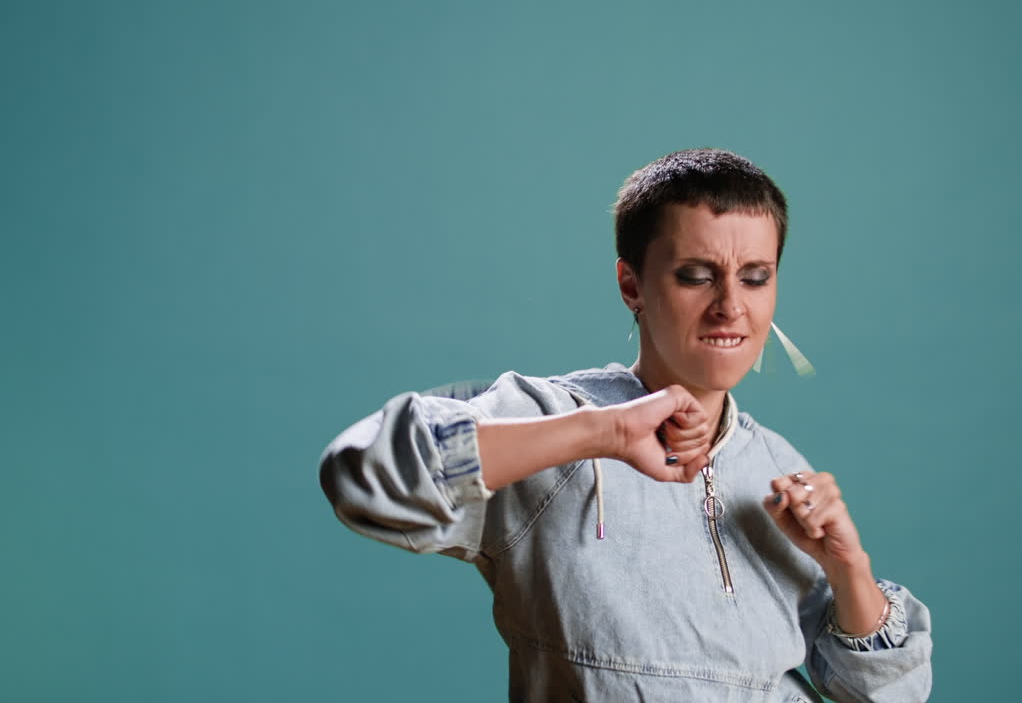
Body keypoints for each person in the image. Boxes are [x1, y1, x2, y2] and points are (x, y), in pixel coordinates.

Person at [318, 148, 933, 702]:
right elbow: (362, 472)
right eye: (696, 274)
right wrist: (601, 434)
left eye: (755, 276)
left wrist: (847, 566)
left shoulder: (775, 465)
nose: (731, 306)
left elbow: (878, 694)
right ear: (631, 284)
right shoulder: (553, 417)